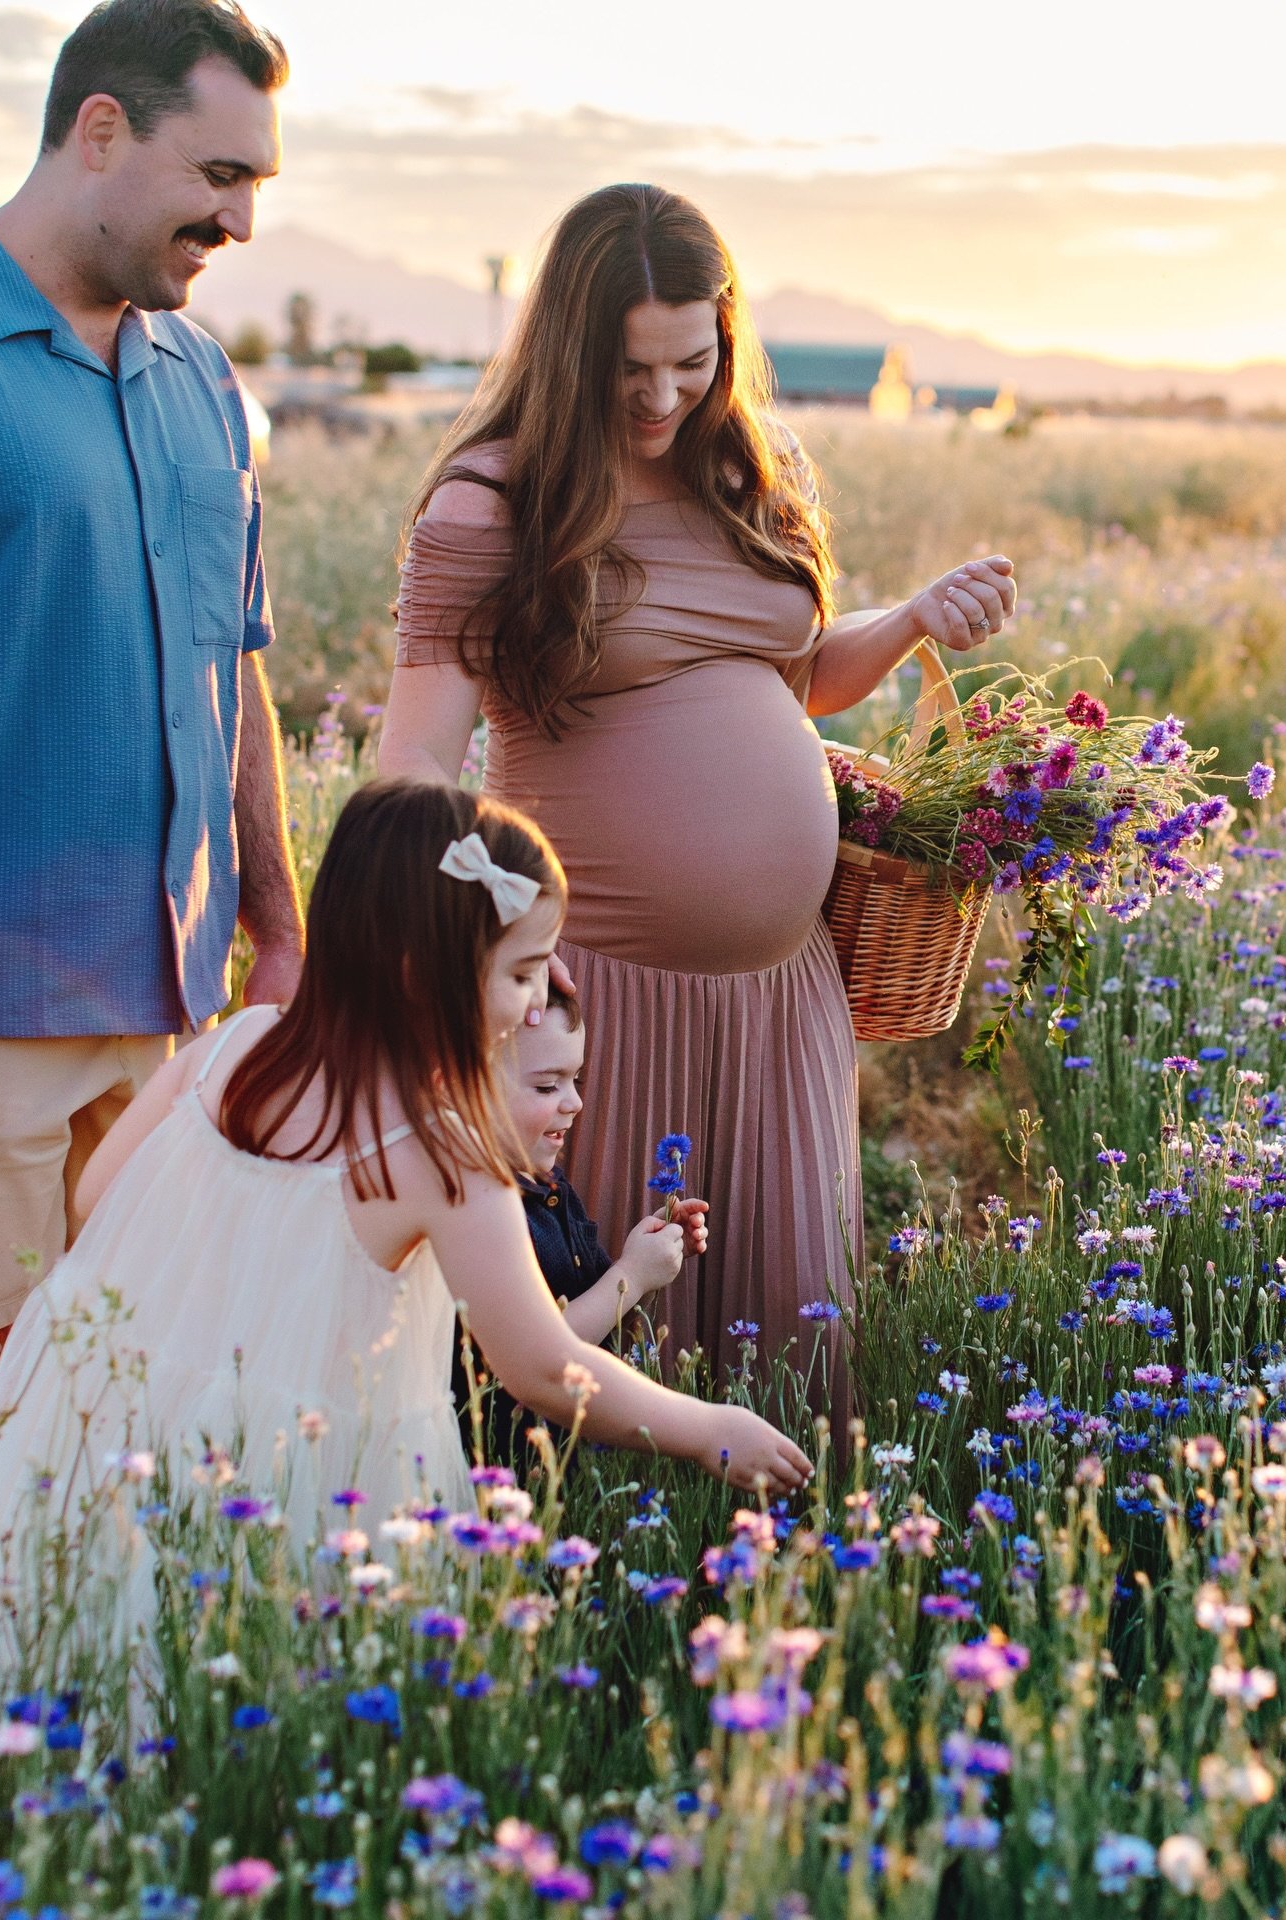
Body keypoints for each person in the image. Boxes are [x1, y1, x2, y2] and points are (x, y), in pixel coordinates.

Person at [0, 782, 811, 1703]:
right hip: (299, 1474)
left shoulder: (238, 1049)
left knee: (106, 1681)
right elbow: (545, 1368)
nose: (534, 1004)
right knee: (271, 1689)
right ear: (415, 972)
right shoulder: (444, 1155)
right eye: (522, 975)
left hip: (113, 1424)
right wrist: (706, 1430)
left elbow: (95, 1192)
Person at [378, 182, 1015, 1383]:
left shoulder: (744, 477)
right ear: (569, 349)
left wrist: (914, 617)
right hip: (597, 997)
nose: (664, 396)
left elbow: (792, 676)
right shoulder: (494, 503)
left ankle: (766, 1570)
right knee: (603, 1342)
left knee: (782, 1340)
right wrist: (485, 944)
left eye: (691, 360)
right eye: (630, 368)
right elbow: (411, 758)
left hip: (783, 997)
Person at [0, 0, 305, 1511]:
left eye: (261, 183)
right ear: (99, 130)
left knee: (114, 1434)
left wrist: (281, 927)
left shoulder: (204, 382)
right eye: (220, 172)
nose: (243, 218)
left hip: (175, 1015)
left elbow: (239, 675)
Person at [457, 982, 709, 1461]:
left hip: (570, 1454)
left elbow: (590, 1301)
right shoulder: (480, 1209)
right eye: (548, 1086)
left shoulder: (550, 1188)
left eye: (576, 1080)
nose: (573, 1102)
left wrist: (644, 1254)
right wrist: (630, 1278)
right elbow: (539, 1350)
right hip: (508, 1464)